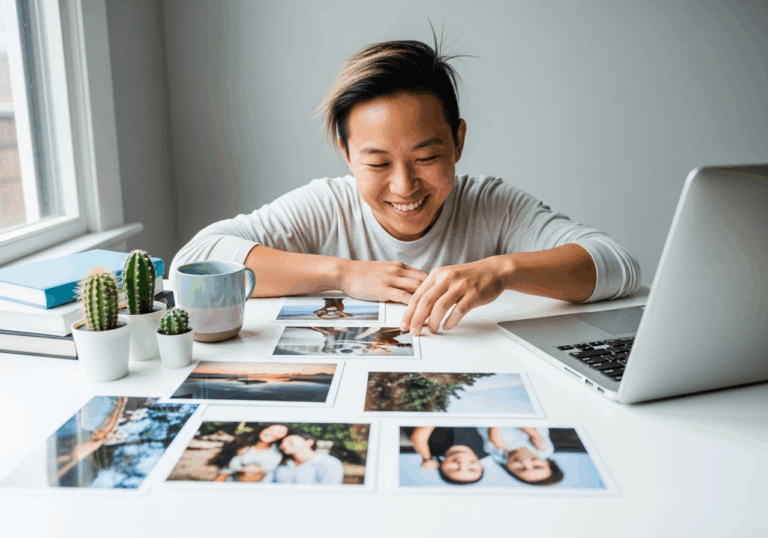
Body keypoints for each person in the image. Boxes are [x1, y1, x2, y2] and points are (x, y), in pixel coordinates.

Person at [170, 36, 641, 336]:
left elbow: (619, 266)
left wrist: (503, 270)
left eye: (427, 157)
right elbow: (193, 260)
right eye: (376, 163)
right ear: (346, 153)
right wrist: (345, 274)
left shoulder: (490, 204)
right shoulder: (326, 205)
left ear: (458, 141)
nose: (404, 186)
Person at [479, 427, 564, 486]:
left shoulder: (499, 454)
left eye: (521, 469)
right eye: (537, 466)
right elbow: (530, 429)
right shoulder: (543, 450)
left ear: (509, 469)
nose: (525, 463)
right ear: (547, 462)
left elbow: (494, 433)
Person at [209, 424, 290, 483]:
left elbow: (252, 478)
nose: (272, 433)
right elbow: (224, 471)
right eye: (270, 429)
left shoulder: (275, 455)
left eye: (279, 432)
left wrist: (243, 470)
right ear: (263, 428)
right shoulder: (243, 443)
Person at [407, 426, 487, 485]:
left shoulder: (430, 448)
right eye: (472, 469)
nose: (462, 465)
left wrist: (427, 459)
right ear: (481, 466)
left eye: (454, 469)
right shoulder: (489, 447)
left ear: (440, 467)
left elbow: (418, 437)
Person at [272, 432, 344, 484]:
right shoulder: (281, 464)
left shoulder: (329, 463)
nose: (283, 445)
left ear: (309, 442)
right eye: (281, 443)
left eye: (290, 441)